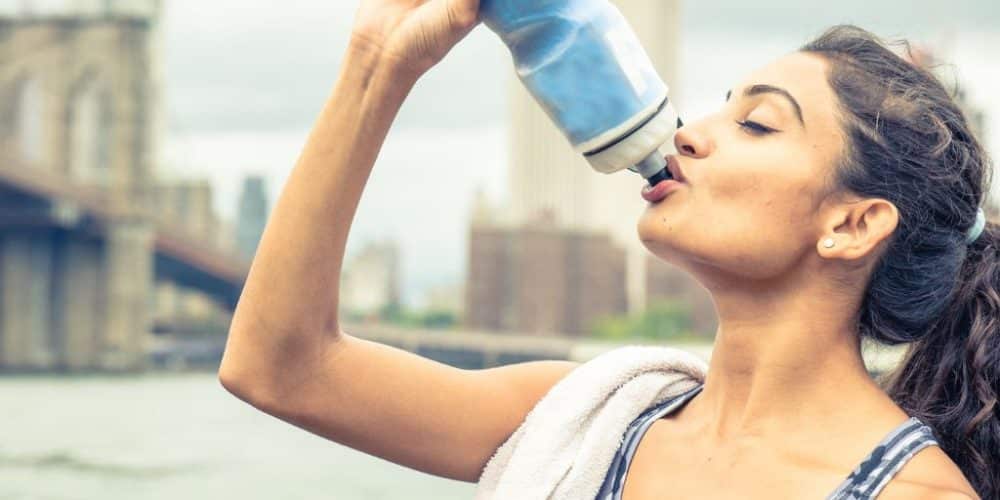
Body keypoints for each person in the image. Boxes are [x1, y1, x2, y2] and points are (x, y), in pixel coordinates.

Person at [218, 1, 997, 498]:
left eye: (757, 124)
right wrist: (378, 61)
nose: (689, 131)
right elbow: (280, 368)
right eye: (722, 109)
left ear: (853, 225)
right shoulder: (594, 414)